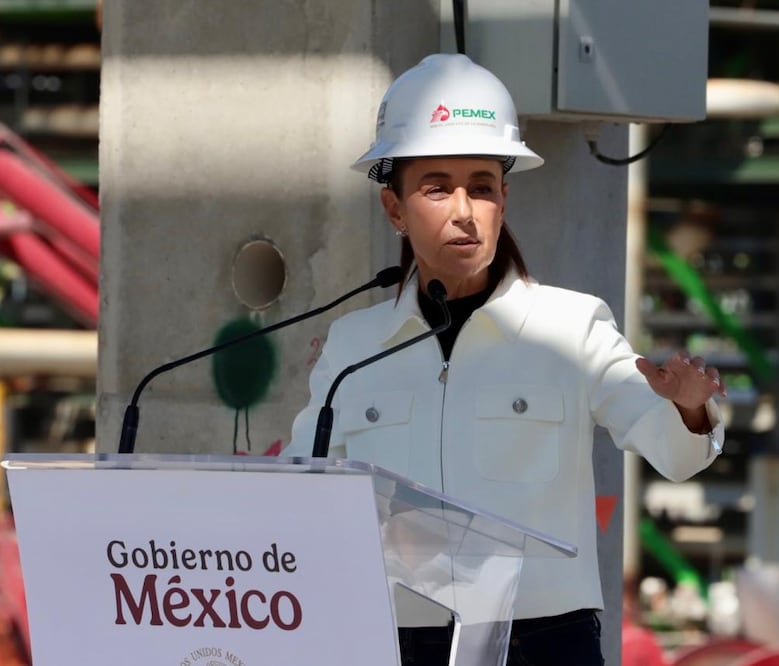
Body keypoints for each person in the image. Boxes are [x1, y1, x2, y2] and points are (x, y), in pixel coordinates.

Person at [288, 53, 725, 666]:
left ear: (504, 200)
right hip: (386, 640)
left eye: (483, 187)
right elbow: (296, 488)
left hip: (541, 641)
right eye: (437, 188)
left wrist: (688, 412)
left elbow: (673, 452)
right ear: (394, 209)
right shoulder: (354, 346)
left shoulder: (572, 328)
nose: (464, 211)